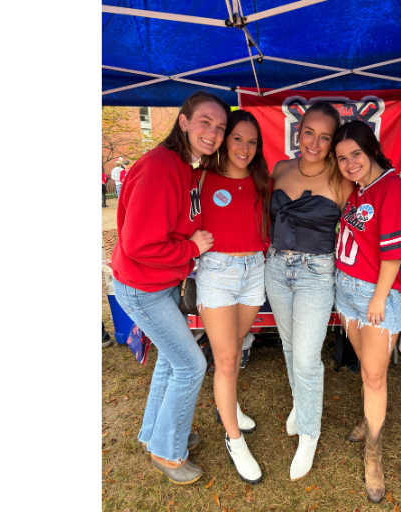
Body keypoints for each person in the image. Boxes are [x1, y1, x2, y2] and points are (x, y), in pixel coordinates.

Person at [109, 91, 228, 486]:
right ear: (183, 121)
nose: (213, 132)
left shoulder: (183, 165)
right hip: (142, 288)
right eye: (204, 122)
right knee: (191, 365)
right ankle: (167, 451)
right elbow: (140, 244)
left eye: (220, 126)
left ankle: (157, 434)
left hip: (157, 285)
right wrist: (192, 248)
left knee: (171, 360)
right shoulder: (160, 168)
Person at [264, 101, 353, 481]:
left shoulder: (342, 180)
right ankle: (301, 406)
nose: (315, 143)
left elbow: (358, 233)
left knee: (306, 358)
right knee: (288, 346)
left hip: (317, 273)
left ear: (334, 142)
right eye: (309, 133)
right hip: (275, 267)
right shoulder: (280, 169)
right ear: (298, 132)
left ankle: (310, 434)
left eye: (325, 137)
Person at [332, 121, 401, 503]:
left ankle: (373, 455)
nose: (349, 163)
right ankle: (369, 420)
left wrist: (380, 298)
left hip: (373, 296)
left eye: (356, 154)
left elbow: (395, 253)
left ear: (372, 150)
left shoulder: (392, 187)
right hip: (346, 292)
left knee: (374, 375)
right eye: (342, 158)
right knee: (367, 367)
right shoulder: (359, 189)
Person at [194, 109, 271, 484]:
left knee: (236, 346)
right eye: (237, 138)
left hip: (254, 270)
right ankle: (234, 439)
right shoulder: (201, 177)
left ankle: (231, 406)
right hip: (217, 274)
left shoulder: (262, 182)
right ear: (224, 140)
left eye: (252, 141)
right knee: (225, 360)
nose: (244, 147)